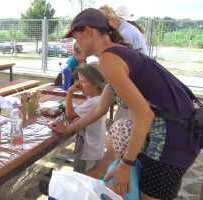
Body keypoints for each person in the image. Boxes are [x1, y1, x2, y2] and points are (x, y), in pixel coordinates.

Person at [49, 8, 196, 200]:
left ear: (88, 31)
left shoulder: (108, 60)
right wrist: (69, 129)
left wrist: (126, 164)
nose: (75, 45)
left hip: (172, 141)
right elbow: (100, 109)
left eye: (76, 38)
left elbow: (145, 114)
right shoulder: (117, 55)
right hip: (178, 135)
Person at [99, 5, 148, 122]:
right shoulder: (129, 29)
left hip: (136, 88)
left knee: (122, 129)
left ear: (114, 21)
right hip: (138, 85)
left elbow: (120, 68)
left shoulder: (125, 34)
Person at [64, 61, 106, 173]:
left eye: (83, 82)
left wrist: (70, 92)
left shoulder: (92, 102)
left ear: (95, 84)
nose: (80, 85)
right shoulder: (100, 98)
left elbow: (69, 115)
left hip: (87, 155)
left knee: (81, 181)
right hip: (95, 151)